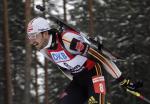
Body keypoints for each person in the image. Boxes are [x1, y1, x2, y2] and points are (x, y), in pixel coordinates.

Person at [26, 17, 142, 104]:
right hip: (79, 81)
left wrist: (123, 81)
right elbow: (64, 68)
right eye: (29, 36)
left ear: (45, 33)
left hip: (94, 74)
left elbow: (101, 58)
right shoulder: (44, 50)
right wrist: (83, 91)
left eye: (34, 36)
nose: (31, 41)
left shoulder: (67, 40)